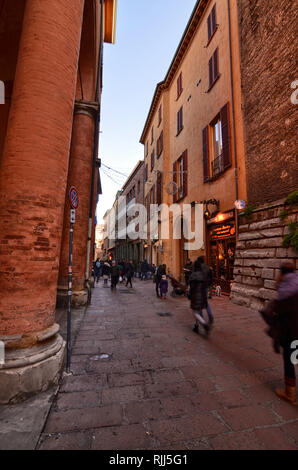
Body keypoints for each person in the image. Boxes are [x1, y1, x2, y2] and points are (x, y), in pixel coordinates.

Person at [273, 262, 298, 405]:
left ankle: (290, 394)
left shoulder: (284, 291)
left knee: (289, 359)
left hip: (291, 332)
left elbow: (280, 315)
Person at [189, 259, 211, 336]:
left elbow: (191, 287)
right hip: (202, 295)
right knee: (198, 311)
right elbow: (206, 285)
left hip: (195, 296)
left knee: (195, 312)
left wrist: (190, 295)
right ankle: (196, 325)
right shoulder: (203, 275)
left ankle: (204, 324)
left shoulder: (193, 275)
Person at [196, 256, 214, 325]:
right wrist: (209, 284)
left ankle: (201, 316)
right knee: (205, 301)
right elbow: (211, 276)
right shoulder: (207, 267)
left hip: (199, 287)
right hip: (206, 286)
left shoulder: (198, 267)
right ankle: (209, 314)